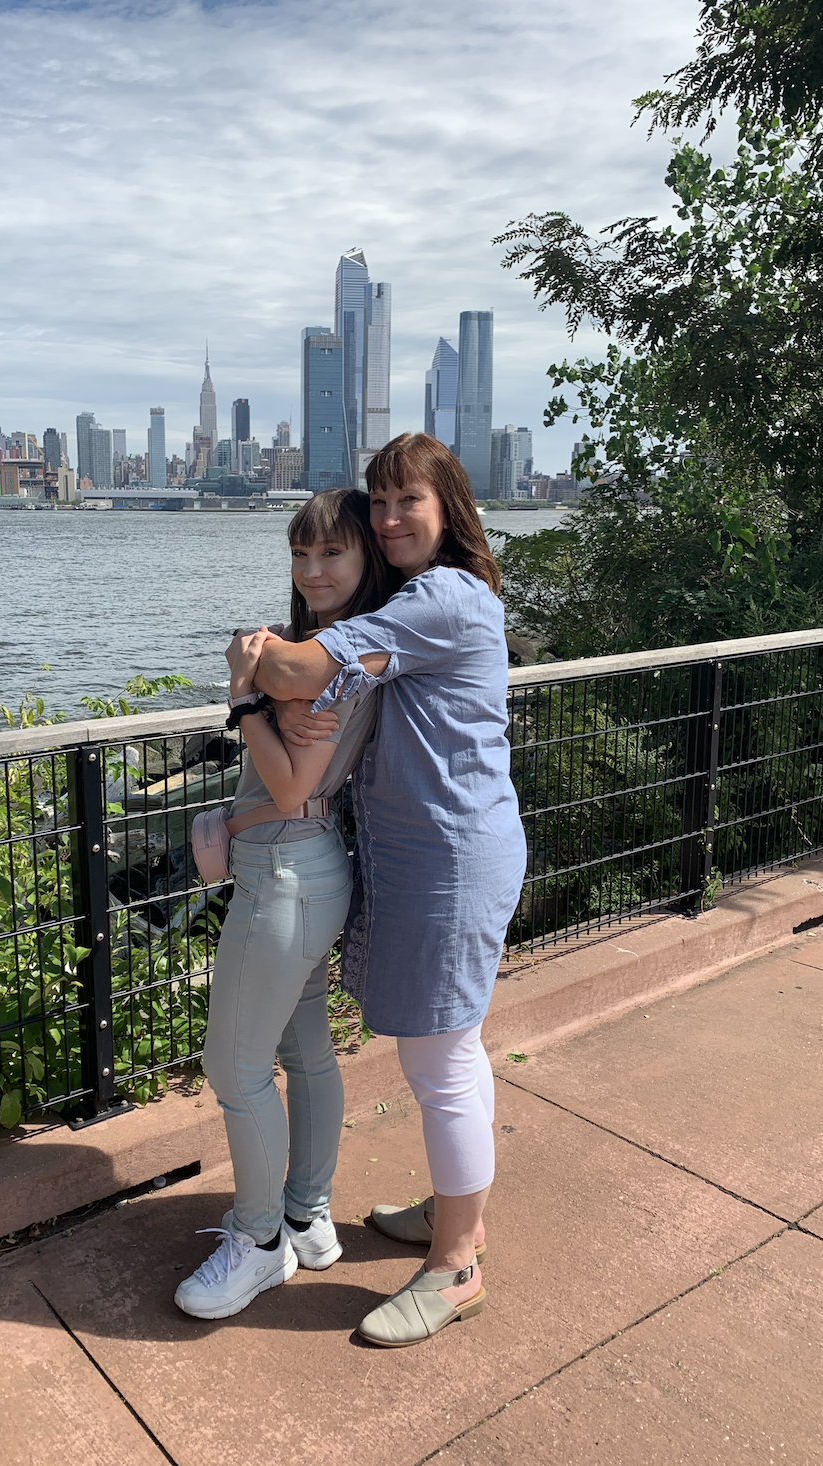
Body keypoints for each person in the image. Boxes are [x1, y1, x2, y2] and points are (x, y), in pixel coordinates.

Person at [247, 433, 527, 1348]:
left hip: (449, 855)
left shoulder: (441, 597)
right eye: (379, 501)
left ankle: (456, 1268)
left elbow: (295, 670)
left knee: (439, 1063)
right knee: (456, 1054)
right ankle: (460, 1216)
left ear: (448, 506)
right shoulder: (435, 601)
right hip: (440, 849)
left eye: (409, 500)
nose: (390, 517)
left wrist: (249, 653)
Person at [174, 488, 395, 1321]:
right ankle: (307, 1217)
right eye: (300, 554)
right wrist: (263, 663)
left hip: (285, 881)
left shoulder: (330, 664)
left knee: (234, 1069)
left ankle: (261, 1240)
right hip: (310, 871)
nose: (311, 570)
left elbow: (294, 778)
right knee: (305, 1054)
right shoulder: (346, 655)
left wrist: (241, 684)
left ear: (366, 559)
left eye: (331, 553)